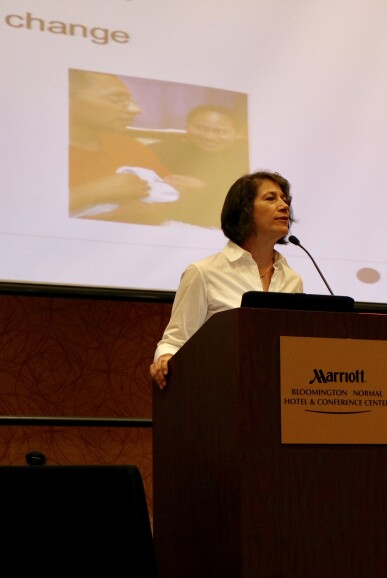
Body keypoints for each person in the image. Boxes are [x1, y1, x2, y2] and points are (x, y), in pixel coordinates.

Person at [149, 170, 304, 389]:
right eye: (271, 198)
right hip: (219, 391)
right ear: (245, 210)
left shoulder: (292, 280)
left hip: (277, 393)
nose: (284, 205)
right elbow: (175, 341)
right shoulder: (204, 273)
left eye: (284, 199)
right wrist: (165, 360)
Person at [68, 69, 178, 225]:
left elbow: (167, 193)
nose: (136, 110)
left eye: (131, 101)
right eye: (116, 98)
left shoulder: (129, 146)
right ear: (67, 98)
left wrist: (153, 210)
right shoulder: (35, 148)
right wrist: (93, 192)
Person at [148, 104, 250, 228]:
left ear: (237, 134)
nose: (209, 136)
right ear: (187, 126)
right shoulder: (164, 149)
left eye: (220, 131)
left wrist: (203, 187)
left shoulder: (247, 156)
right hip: (166, 220)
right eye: (200, 128)